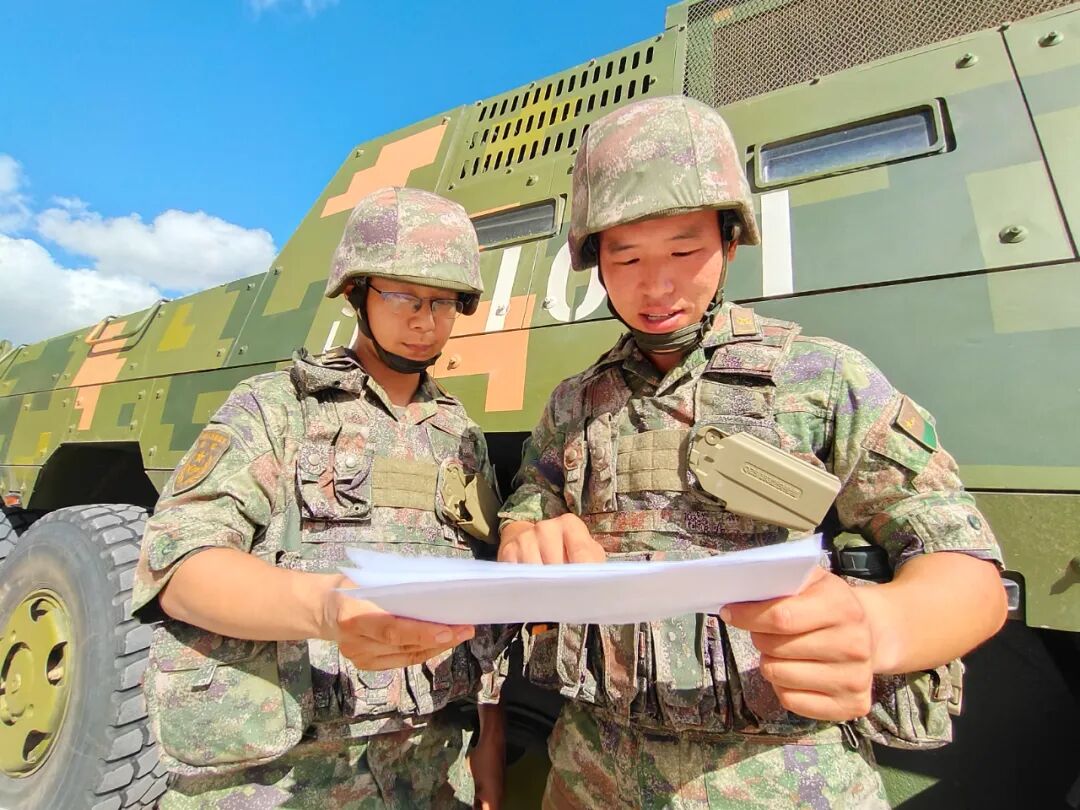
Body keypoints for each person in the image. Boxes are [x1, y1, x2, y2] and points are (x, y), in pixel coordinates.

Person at [497, 95, 1008, 808]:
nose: (656, 284)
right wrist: (527, 536)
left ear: (730, 242)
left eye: (684, 251)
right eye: (626, 256)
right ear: (597, 265)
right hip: (588, 773)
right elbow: (530, 503)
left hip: (780, 777)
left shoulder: (820, 378)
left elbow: (968, 568)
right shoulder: (572, 404)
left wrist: (879, 629)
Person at [133, 186, 507, 809]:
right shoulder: (277, 407)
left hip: (430, 772)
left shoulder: (460, 436)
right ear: (357, 292)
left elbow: (483, 608)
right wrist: (327, 609)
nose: (426, 321)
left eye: (445, 302)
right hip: (282, 779)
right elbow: (177, 567)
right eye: (404, 297)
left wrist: (488, 756)